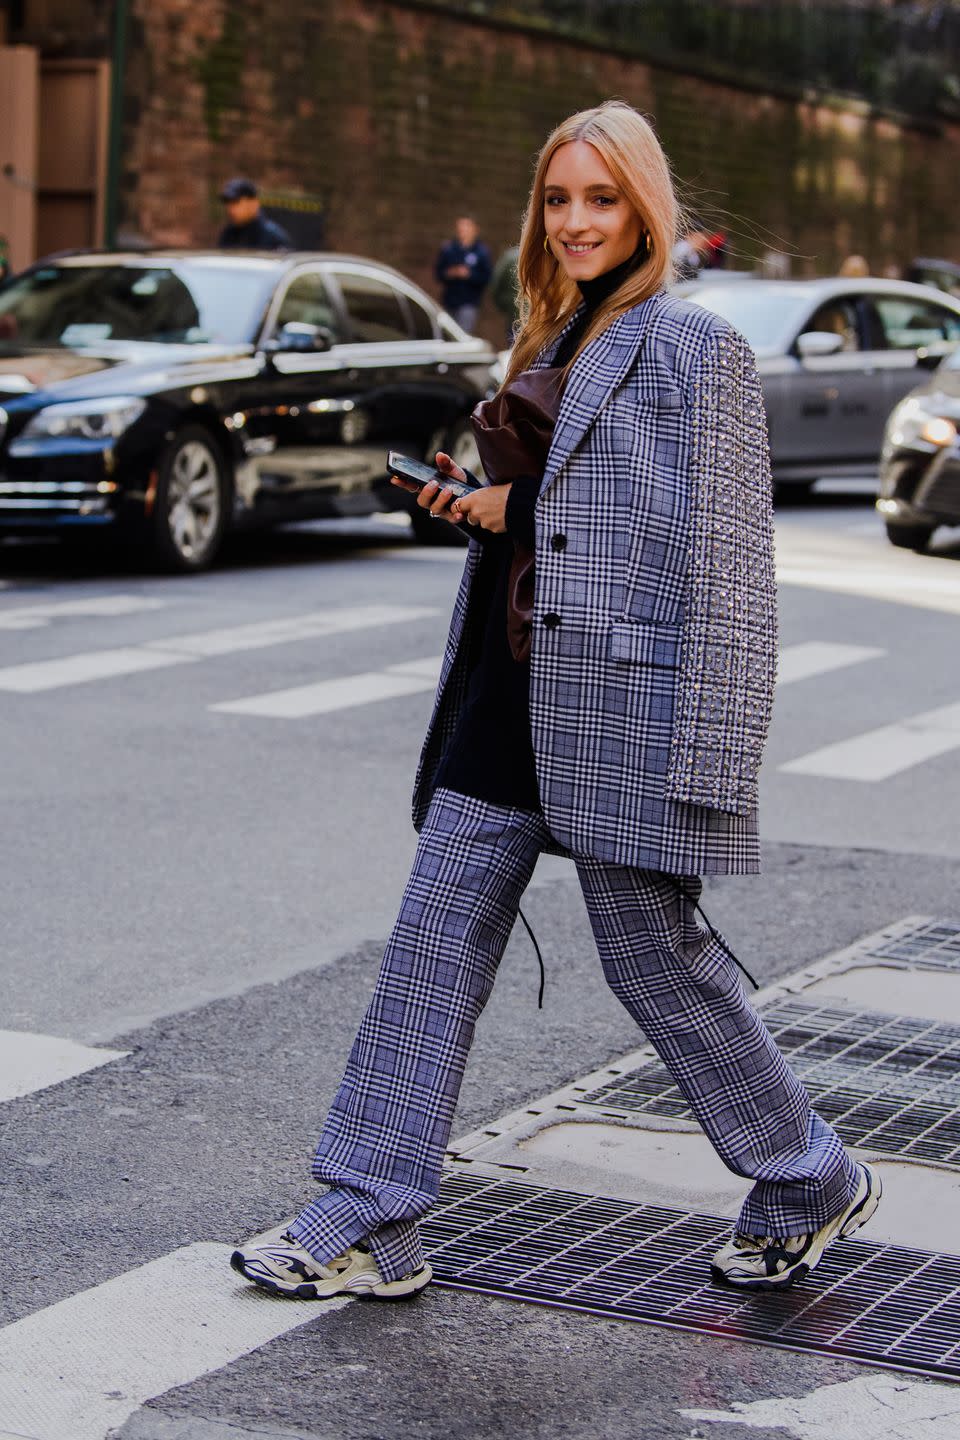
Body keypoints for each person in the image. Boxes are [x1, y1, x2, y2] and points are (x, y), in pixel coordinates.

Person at [231, 99, 881, 1304]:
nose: (577, 221)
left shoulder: (697, 349)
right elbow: (567, 516)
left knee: (661, 969)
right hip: (508, 692)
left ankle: (807, 1176)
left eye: (602, 198)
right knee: (432, 943)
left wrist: (716, 756)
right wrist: (487, 510)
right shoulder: (547, 336)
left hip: (623, 708)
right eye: (559, 198)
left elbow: (728, 562)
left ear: (646, 206)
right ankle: (374, 1212)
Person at [434, 215, 492, 332]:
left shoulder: (481, 251)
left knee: (462, 334)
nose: (463, 231)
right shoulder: (449, 249)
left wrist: (469, 275)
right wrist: (450, 273)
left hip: (468, 302)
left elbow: (487, 277)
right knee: (446, 334)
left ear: (475, 230)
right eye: (460, 228)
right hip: (449, 301)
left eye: (466, 228)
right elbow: (438, 273)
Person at [217, 178, 292, 251]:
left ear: (254, 203)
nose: (230, 208)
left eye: (236, 202)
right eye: (228, 203)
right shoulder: (228, 235)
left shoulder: (273, 237)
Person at [490, 243, 520, 343]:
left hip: (513, 312)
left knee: (514, 346)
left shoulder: (509, 257)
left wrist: (504, 306)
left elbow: (495, 285)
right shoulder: (543, 255)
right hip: (537, 315)